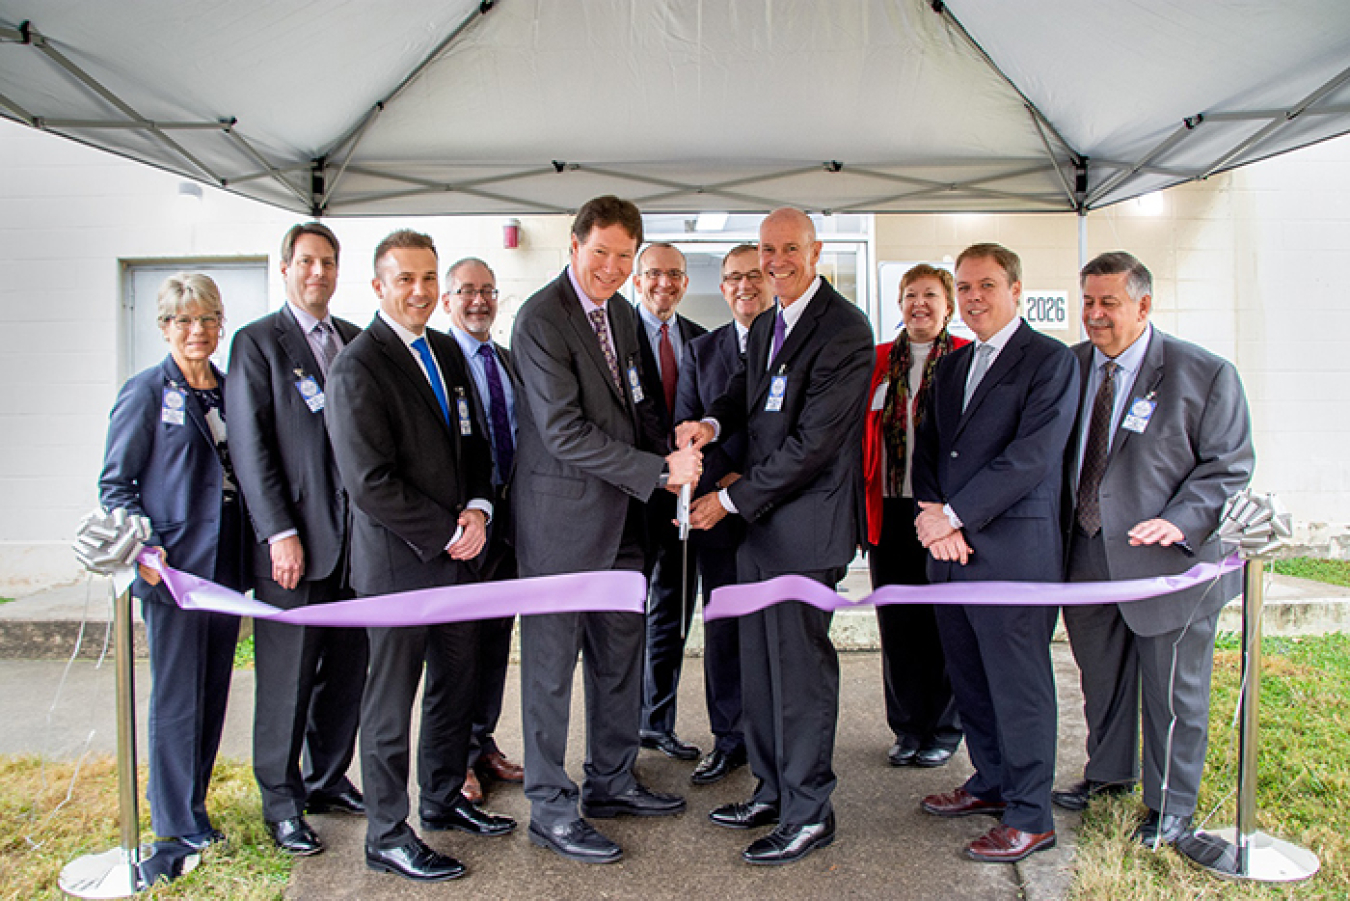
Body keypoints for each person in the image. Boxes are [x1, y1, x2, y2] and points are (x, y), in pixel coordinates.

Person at [678, 208, 874, 866]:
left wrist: (728, 499)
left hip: (805, 529)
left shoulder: (845, 329)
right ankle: (771, 786)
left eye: (790, 247)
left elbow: (813, 445)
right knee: (759, 668)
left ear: (816, 251)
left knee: (799, 673)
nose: (777, 259)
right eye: (768, 248)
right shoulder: (768, 321)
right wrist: (709, 424)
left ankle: (810, 808)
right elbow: (741, 394)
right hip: (761, 528)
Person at [510, 195, 701, 865]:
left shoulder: (622, 312)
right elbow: (562, 431)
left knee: (620, 658)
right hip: (560, 528)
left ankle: (613, 779)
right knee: (552, 672)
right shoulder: (540, 320)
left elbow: (640, 404)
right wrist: (657, 469)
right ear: (573, 246)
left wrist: (676, 447)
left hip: (625, 521)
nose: (612, 268)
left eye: (625, 256)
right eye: (601, 254)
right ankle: (550, 807)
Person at [1051, 251, 1254, 846]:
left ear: (1143, 305)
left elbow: (1228, 465)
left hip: (1169, 563)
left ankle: (1170, 804)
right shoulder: (1070, 366)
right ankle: (1110, 774)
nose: (1094, 315)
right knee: (1102, 677)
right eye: (1087, 302)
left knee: (1172, 690)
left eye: (1108, 303)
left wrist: (1179, 520)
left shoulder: (1203, 374)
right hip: (1085, 555)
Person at [326, 230, 511, 883]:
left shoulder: (447, 353)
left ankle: (441, 800)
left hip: (460, 557)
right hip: (401, 564)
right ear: (378, 286)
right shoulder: (357, 364)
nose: (420, 291)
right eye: (405, 279)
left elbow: (476, 446)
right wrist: (445, 529)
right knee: (390, 702)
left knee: (455, 686)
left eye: (429, 278)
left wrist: (481, 510)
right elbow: (368, 482)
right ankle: (386, 831)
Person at [911, 242, 1078, 864]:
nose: (974, 297)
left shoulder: (1049, 361)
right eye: (966, 287)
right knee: (970, 679)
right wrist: (934, 518)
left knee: (1019, 685)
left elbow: (1032, 457)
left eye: (986, 285)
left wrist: (953, 515)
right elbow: (929, 447)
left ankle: (1031, 814)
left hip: (1013, 553)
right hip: (949, 551)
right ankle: (989, 781)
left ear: (1014, 289)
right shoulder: (952, 364)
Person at [226, 222, 368, 857]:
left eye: (329, 262)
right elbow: (252, 448)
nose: (319, 272)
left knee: (346, 671)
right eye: (307, 261)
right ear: (285, 267)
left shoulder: (357, 341)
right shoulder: (257, 343)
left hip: (357, 546)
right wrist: (278, 531)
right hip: (295, 545)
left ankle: (328, 778)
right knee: (286, 678)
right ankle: (281, 802)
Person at [99, 272, 250, 851]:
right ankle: (175, 822)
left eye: (208, 319)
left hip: (226, 568)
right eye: (184, 320)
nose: (197, 330)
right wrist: (144, 549)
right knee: (177, 695)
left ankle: (196, 803)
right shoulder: (144, 391)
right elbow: (116, 486)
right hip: (175, 571)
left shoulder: (231, 388)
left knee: (213, 689)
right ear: (164, 327)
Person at [672, 243, 771, 785]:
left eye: (753, 276)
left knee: (774, 628)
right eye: (732, 278)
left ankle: (771, 736)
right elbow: (690, 426)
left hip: (776, 509)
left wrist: (751, 481)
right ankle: (728, 737)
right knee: (726, 627)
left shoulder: (788, 343)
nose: (743, 286)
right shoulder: (701, 350)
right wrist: (724, 475)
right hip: (718, 512)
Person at [861, 264, 967, 769]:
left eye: (930, 295)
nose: (918, 304)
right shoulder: (879, 362)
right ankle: (907, 728)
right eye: (909, 296)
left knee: (943, 622)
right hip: (889, 511)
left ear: (947, 305)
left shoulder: (969, 359)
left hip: (945, 517)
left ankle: (944, 728)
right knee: (898, 624)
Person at [431, 256, 525, 807]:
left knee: (494, 642)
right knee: (457, 650)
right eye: (466, 291)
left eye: (487, 291)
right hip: (463, 525)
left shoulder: (508, 361)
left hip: (509, 526)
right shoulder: (438, 361)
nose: (478, 300)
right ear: (448, 301)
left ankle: (481, 740)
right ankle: (455, 758)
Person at [633, 242, 709, 763]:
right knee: (626, 619)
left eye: (675, 275)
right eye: (654, 273)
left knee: (672, 615)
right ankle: (619, 728)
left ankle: (656, 722)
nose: (665, 283)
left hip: (686, 504)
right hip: (633, 498)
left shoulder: (702, 342)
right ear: (638, 279)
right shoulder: (616, 338)